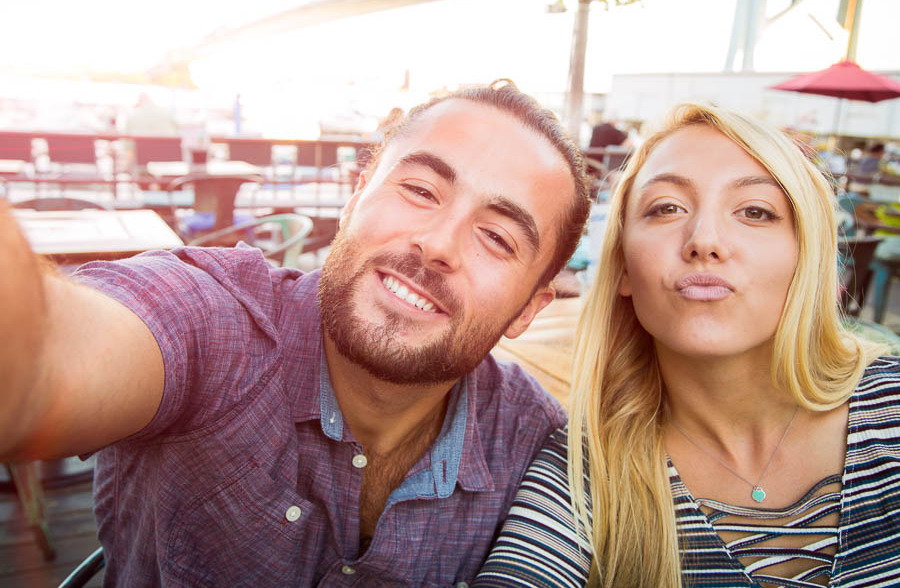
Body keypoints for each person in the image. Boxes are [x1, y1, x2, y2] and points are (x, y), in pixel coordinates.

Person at [0, 80, 592, 587]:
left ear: (529, 309)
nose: (438, 244)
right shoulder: (215, 322)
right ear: (357, 194)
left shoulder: (533, 439)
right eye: (419, 191)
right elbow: (42, 357)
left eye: (498, 238)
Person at [475, 103, 900, 588]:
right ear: (624, 267)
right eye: (667, 208)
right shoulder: (580, 480)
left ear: (805, 255)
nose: (705, 240)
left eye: (755, 212)